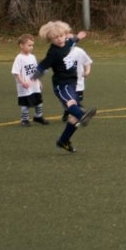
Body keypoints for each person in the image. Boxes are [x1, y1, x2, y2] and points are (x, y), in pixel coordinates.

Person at [35, 21, 97, 153]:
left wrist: (79, 36)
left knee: (73, 117)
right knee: (71, 103)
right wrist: (33, 78)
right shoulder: (53, 53)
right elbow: (42, 65)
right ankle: (82, 115)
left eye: (61, 36)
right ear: (50, 39)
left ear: (65, 35)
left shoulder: (67, 42)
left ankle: (63, 141)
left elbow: (73, 40)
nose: (59, 39)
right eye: (55, 38)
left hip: (72, 83)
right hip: (61, 85)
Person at [11, 34, 49, 127]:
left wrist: (38, 81)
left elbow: (36, 71)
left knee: (38, 101)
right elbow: (16, 72)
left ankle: (38, 116)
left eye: (32, 45)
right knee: (26, 103)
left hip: (34, 85)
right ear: (21, 45)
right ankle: (24, 119)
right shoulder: (19, 58)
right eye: (29, 45)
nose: (31, 47)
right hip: (25, 86)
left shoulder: (32, 57)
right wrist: (22, 82)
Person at [63, 44, 93, 122]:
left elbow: (87, 62)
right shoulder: (60, 52)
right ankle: (82, 114)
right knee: (73, 101)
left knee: (77, 100)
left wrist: (87, 71)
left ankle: (68, 110)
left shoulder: (79, 51)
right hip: (67, 82)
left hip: (79, 83)